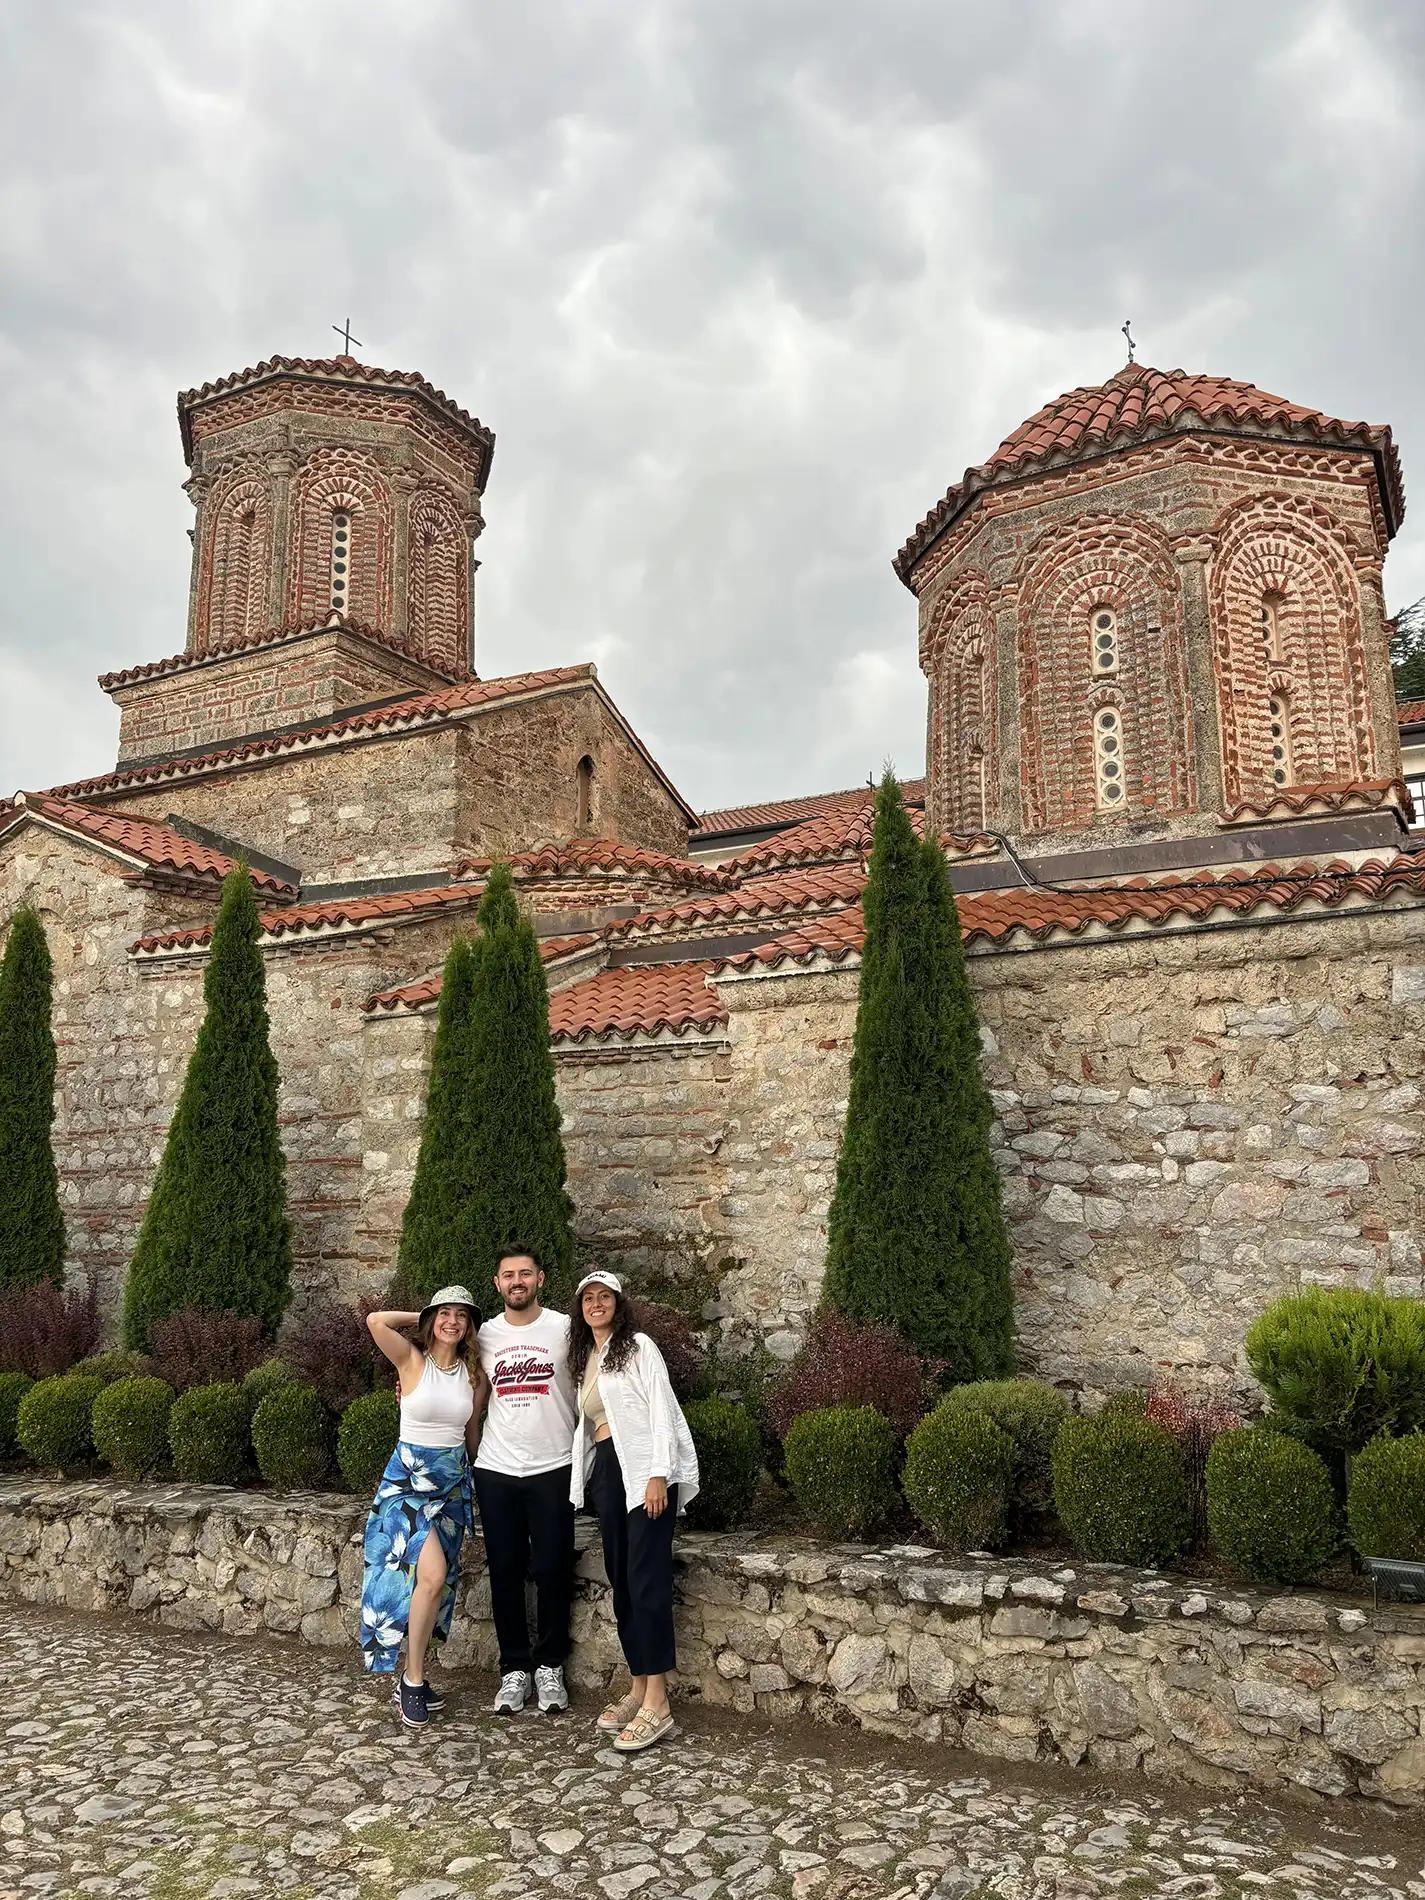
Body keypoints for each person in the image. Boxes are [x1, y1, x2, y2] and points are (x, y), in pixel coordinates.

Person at [567, 1269, 700, 1754]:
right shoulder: (587, 1359)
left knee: (646, 1582)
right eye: (588, 1298)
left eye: (604, 1296)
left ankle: (658, 1703)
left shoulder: (639, 1346)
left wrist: (659, 1473)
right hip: (608, 1471)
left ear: (618, 1304)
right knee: (621, 1579)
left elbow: (662, 1410)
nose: (596, 1304)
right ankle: (639, 1686)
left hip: (643, 1470)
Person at [360, 1286, 487, 1727]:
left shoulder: (474, 1375)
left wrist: (480, 1477)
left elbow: (471, 1433)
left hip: (450, 1488)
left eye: (461, 1316)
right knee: (430, 1575)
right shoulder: (411, 1360)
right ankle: (411, 1681)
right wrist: (425, 1314)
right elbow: (376, 1321)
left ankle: (415, 1674)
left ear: (469, 1326)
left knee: (436, 1586)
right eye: (445, 1314)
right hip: (407, 1485)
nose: (453, 1322)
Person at [473, 1246, 579, 1715]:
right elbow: (471, 1394)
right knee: (505, 1571)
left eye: (525, 1274)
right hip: (496, 1469)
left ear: (540, 1279)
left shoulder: (565, 1329)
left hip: (553, 1466)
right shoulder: (484, 1335)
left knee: (554, 1569)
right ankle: (514, 1668)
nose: (517, 1281)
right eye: (508, 1275)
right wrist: (475, 1455)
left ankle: (550, 1666)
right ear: (497, 1283)